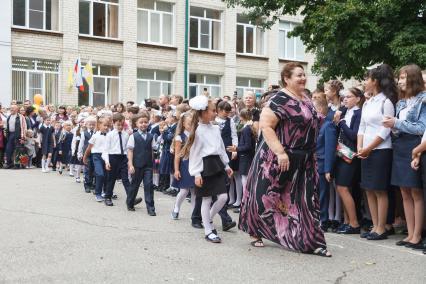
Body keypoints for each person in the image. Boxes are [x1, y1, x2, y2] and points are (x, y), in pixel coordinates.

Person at [239, 62, 331, 256]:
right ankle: (255, 231)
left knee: (306, 200)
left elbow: (309, 122)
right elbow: (266, 126)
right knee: (263, 197)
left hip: (304, 158)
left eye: (304, 74)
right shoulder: (279, 99)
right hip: (276, 158)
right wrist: (280, 153)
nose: (303, 78)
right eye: (298, 75)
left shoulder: (305, 98)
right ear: (287, 79)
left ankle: (311, 241)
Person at [383, 64, 426, 248]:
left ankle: (417, 235)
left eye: (403, 77)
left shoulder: (423, 100)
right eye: (399, 77)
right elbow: (399, 127)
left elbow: (421, 128)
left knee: (415, 192)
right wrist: (392, 127)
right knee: (404, 192)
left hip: (414, 146)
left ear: (413, 79)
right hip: (400, 146)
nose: (399, 81)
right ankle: (409, 234)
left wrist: (397, 123)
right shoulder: (400, 102)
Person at [183, 95, 233, 243]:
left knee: (223, 197)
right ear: (203, 113)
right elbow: (195, 154)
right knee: (206, 199)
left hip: (217, 165)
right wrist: (196, 173)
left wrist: (227, 165)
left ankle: (208, 220)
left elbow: (221, 148)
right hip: (204, 167)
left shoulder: (216, 128)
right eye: (212, 110)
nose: (215, 113)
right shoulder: (197, 131)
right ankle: (208, 231)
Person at [357, 64, 397, 240]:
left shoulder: (386, 102)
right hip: (365, 150)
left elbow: (385, 131)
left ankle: (381, 228)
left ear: (376, 81)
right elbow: (362, 127)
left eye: (368, 78)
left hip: (380, 150)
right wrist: (360, 146)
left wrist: (368, 148)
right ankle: (375, 225)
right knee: (368, 189)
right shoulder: (368, 102)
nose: (365, 81)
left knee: (380, 189)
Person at [333, 88, 364, 234]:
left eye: (349, 97)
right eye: (344, 97)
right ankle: (347, 221)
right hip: (342, 153)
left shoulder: (358, 113)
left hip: (351, 154)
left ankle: (354, 223)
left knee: (343, 188)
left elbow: (353, 135)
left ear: (358, 99)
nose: (345, 99)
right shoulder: (346, 111)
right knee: (342, 187)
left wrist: (342, 123)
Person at [226, 108, 256, 213]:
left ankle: (244, 206)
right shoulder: (248, 127)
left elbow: (247, 146)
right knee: (245, 183)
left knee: (245, 184)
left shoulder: (246, 129)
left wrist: (236, 149)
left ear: (241, 116)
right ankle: (244, 204)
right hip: (245, 158)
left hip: (245, 159)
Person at [314, 97, 337, 232]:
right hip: (314, 163)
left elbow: (330, 148)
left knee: (323, 194)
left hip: (323, 165)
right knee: (316, 194)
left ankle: (323, 220)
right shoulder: (316, 124)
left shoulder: (328, 125)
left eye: (314, 109)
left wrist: (328, 169)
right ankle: (316, 218)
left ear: (321, 109)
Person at [127, 112, 156, 215]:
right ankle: (130, 203)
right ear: (136, 124)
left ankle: (150, 208)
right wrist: (130, 165)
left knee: (148, 185)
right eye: (141, 122)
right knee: (135, 185)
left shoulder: (151, 136)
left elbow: (152, 151)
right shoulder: (133, 136)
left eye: (145, 122)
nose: (143, 124)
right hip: (136, 165)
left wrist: (152, 164)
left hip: (148, 165)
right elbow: (130, 151)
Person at [103, 113, 132, 207]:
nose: (120, 127)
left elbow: (128, 149)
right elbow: (106, 150)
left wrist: (129, 161)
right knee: (111, 179)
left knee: (125, 179)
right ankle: (108, 197)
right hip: (113, 157)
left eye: (122, 125)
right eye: (118, 124)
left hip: (123, 158)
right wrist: (107, 161)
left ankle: (131, 198)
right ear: (113, 123)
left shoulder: (126, 135)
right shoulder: (110, 135)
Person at [171, 112, 195, 219]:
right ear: (184, 124)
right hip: (185, 164)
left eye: (193, 124)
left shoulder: (196, 135)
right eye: (190, 124)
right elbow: (177, 155)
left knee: (195, 190)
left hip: (196, 164)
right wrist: (176, 170)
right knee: (184, 190)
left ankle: (195, 214)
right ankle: (176, 207)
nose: (192, 126)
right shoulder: (179, 138)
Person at [83, 118, 109, 202]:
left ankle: (105, 191)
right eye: (104, 125)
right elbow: (89, 148)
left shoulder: (110, 135)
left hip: (107, 156)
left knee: (106, 175)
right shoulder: (95, 136)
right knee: (100, 174)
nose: (106, 127)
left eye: (108, 126)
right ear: (99, 126)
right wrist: (85, 157)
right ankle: (98, 193)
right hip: (96, 156)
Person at [5, 104, 27, 169]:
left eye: (13, 108)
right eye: (11, 108)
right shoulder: (9, 116)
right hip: (10, 135)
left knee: (18, 150)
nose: (11, 109)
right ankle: (9, 164)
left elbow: (24, 127)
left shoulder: (21, 117)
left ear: (17, 109)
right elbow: (7, 126)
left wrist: (23, 137)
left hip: (18, 135)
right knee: (8, 149)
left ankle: (17, 165)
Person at [78, 116, 97, 193]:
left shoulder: (96, 133)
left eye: (93, 124)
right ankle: (87, 185)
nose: (91, 126)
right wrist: (79, 153)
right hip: (86, 153)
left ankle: (92, 184)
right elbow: (81, 143)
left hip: (95, 153)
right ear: (86, 125)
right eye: (90, 124)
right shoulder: (84, 133)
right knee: (87, 169)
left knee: (94, 169)